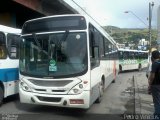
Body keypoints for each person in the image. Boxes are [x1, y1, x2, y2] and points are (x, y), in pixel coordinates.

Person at [148, 50, 160, 117]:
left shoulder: (155, 64)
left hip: (156, 85)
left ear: (152, 57)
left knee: (157, 102)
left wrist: (150, 84)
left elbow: (152, 76)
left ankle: (157, 116)